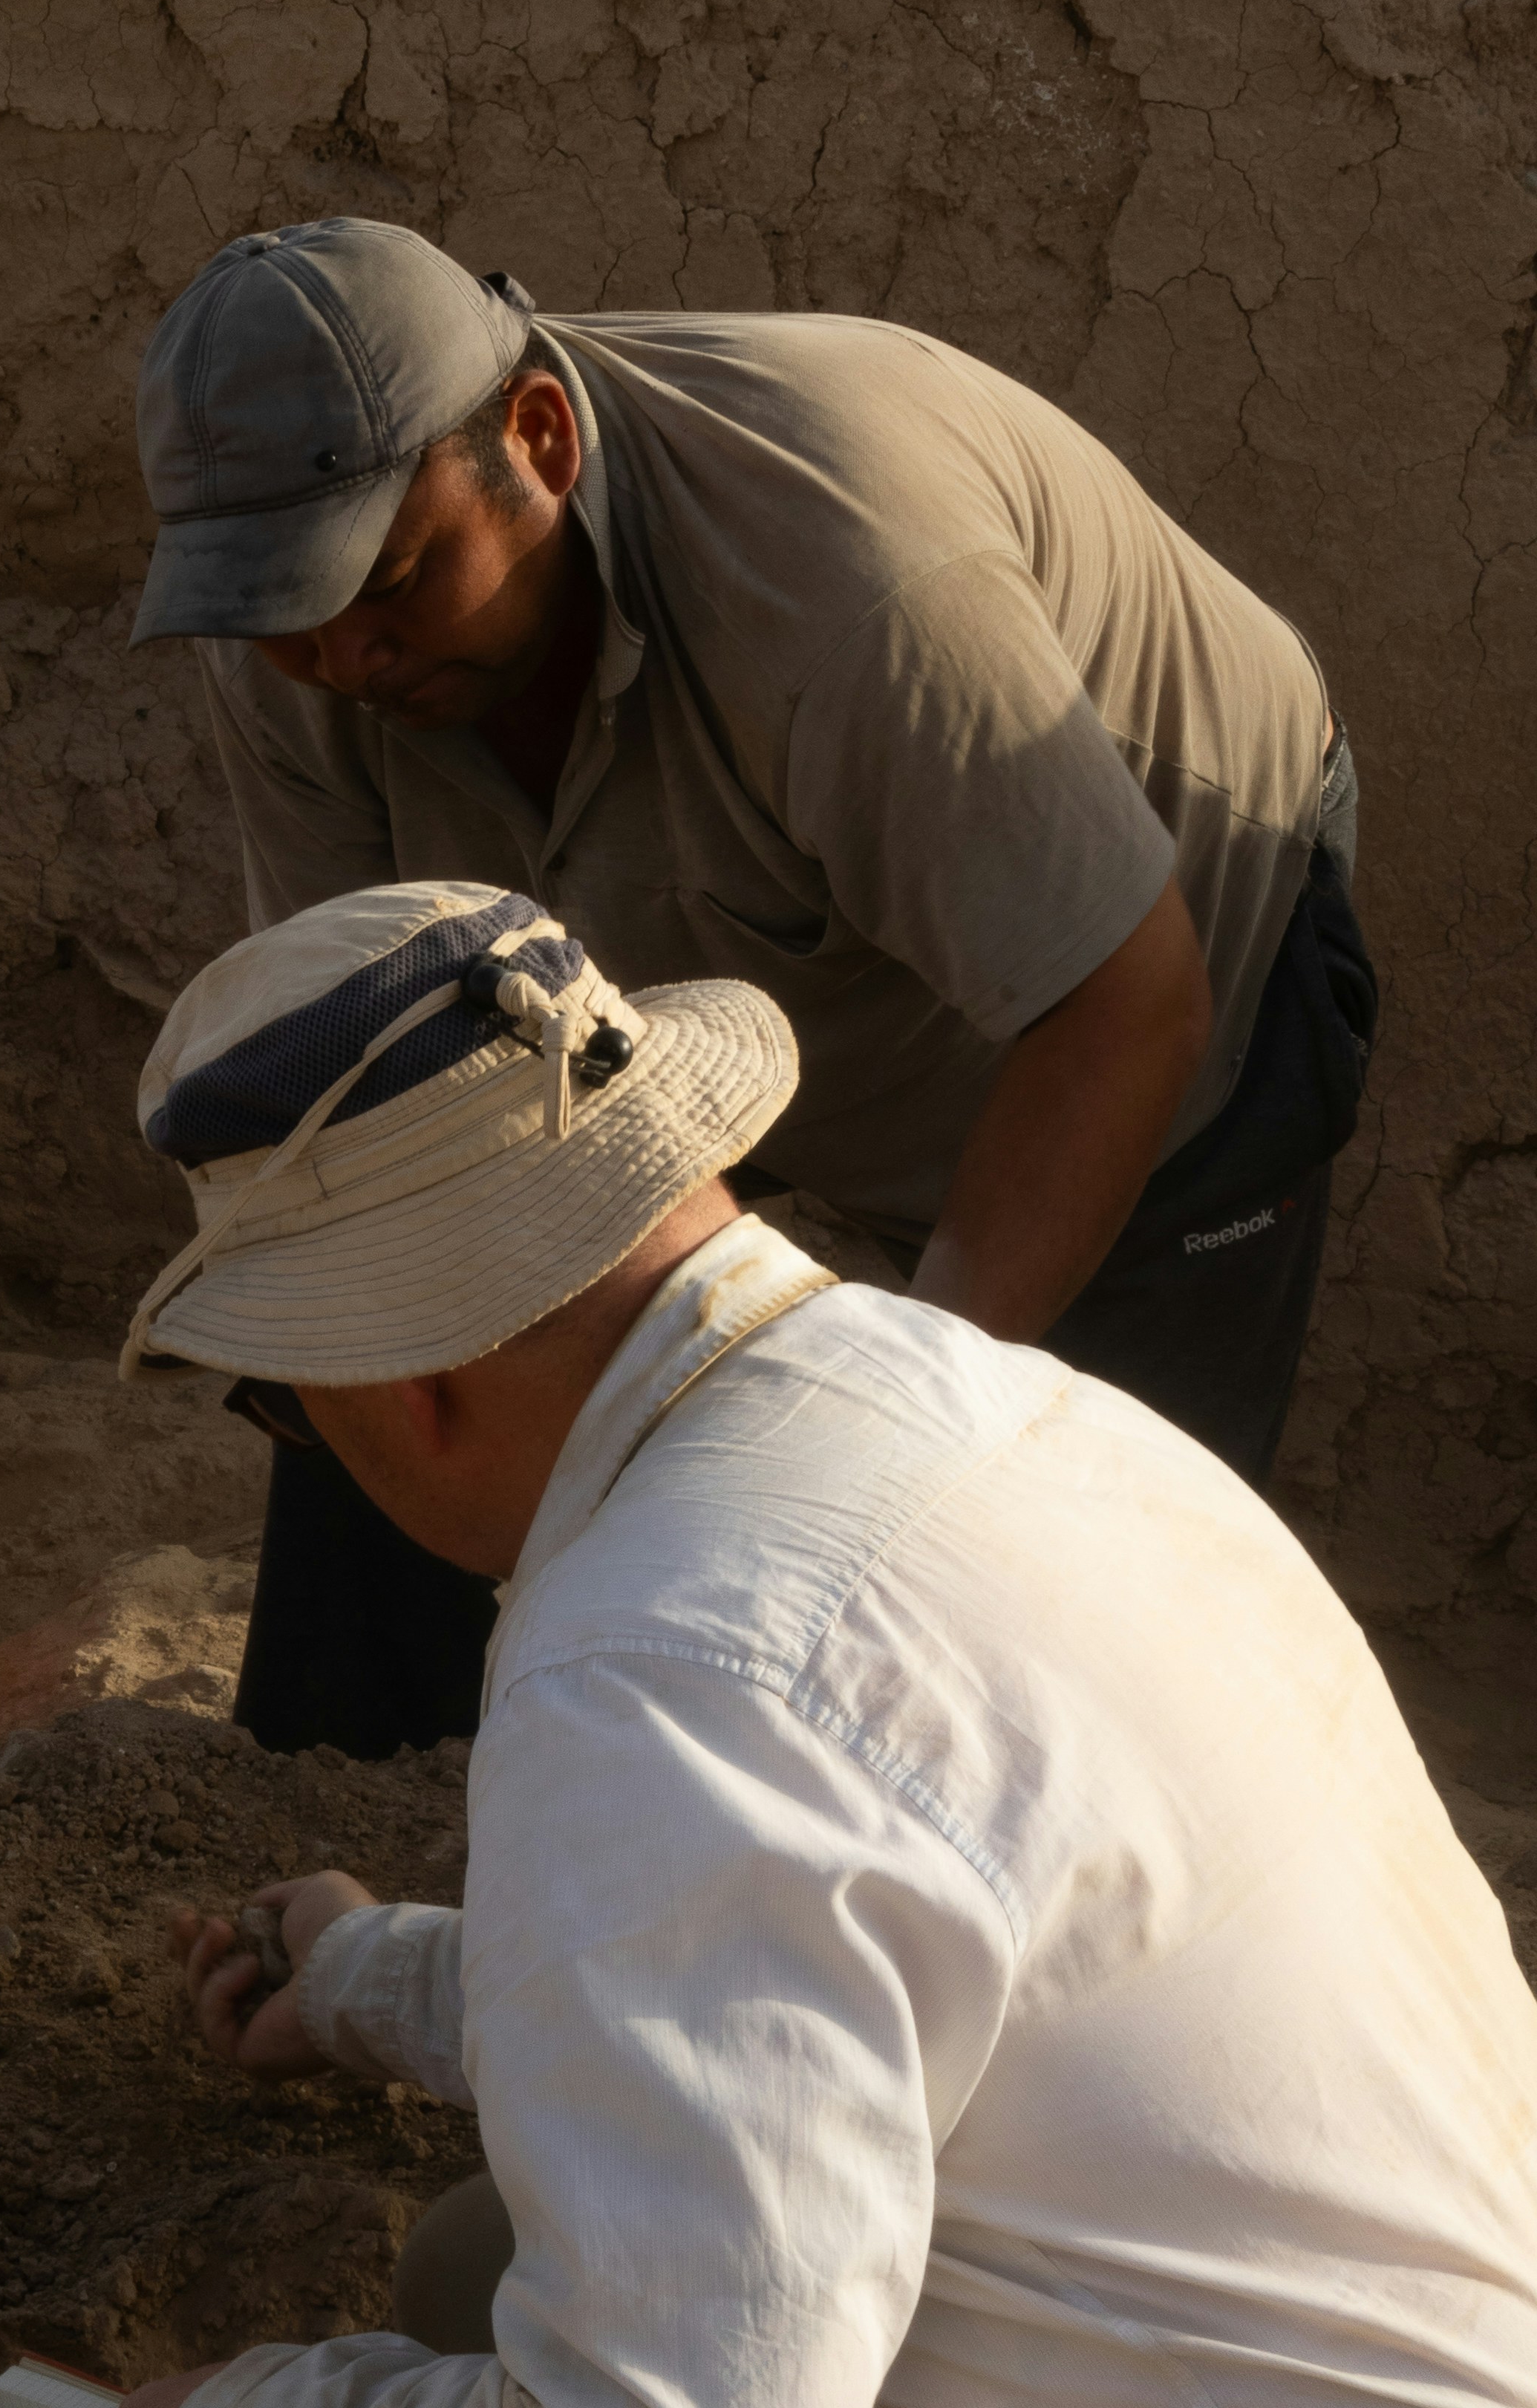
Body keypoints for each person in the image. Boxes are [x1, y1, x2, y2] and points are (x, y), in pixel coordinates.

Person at [27, 879, 1537, 2408]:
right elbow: (879, 1945)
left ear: (405, 1376)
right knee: (484, 2264)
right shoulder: (972, 1418)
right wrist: (399, 1985)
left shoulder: (661, 1659)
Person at [130, 222, 1376, 1755]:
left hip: (1154, 959)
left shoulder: (839, 578)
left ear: (537, 439)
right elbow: (376, 1092)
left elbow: (1124, 1007)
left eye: (387, 582)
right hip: (725, 954)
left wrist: (891, 1432)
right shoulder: (313, 633)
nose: (340, 653)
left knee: (1057, 1573)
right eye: (282, 616)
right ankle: (353, 1779)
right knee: (394, 1323)